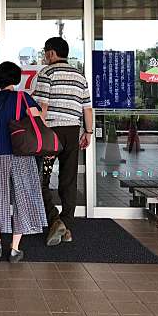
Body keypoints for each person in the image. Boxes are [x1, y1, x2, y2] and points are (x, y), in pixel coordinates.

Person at [0, 61, 46, 262]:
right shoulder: (23, 98)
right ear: (16, 79)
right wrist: (42, 108)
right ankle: (15, 248)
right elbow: (39, 120)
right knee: (23, 197)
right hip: (21, 155)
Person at [33, 37, 93, 246]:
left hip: (52, 134)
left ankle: (54, 219)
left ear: (51, 53)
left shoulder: (47, 73)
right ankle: (66, 225)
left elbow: (42, 107)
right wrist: (89, 132)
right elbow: (87, 107)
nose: (44, 56)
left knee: (41, 178)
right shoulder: (80, 75)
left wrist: (40, 133)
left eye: (45, 52)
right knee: (68, 180)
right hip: (72, 133)